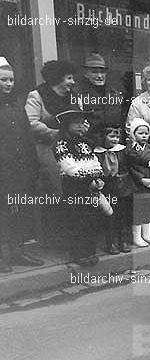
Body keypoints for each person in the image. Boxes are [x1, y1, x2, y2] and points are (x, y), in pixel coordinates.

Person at [25, 60, 81, 246]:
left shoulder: (74, 96)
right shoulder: (36, 96)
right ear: (57, 78)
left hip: (70, 148)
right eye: (69, 78)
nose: (72, 82)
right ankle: (54, 238)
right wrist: (55, 133)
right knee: (55, 189)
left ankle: (72, 236)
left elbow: (80, 118)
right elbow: (31, 122)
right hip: (47, 149)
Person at [0, 57, 44, 272]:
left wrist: (32, 165)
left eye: (11, 80)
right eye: (3, 80)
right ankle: (3, 258)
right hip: (2, 172)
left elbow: (27, 136)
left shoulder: (17, 105)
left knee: (18, 212)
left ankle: (17, 252)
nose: (8, 84)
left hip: (19, 170)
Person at [53, 110, 105, 266]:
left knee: (91, 219)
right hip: (74, 188)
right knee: (77, 221)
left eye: (83, 123)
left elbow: (95, 163)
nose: (81, 126)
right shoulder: (61, 144)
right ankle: (78, 254)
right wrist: (89, 178)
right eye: (76, 123)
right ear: (67, 125)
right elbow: (70, 168)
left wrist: (98, 177)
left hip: (91, 187)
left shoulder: (86, 143)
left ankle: (90, 251)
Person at [93, 126, 134, 254]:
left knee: (122, 215)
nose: (115, 139)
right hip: (107, 188)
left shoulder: (123, 151)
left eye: (117, 137)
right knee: (109, 215)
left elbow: (134, 162)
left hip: (122, 187)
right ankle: (110, 243)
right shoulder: (97, 153)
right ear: (103, 137)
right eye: (111, 136)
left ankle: (123, 241)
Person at [125, 118, 150, 247]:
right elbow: (130, 167)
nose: (143, 136)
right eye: (140, 133)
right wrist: (141, 179)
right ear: (133, 134)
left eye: (146, 133)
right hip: (138, 184)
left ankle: (147, 234)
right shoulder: (130, 150)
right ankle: (137, 236)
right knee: (138, 210)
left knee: (148, 209)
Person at [73, 53, 124, 129]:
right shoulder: (78, 94)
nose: (99, 76)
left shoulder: (114, 93)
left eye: (102, 72)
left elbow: (117, 119)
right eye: (94, 72)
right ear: (86, 74)